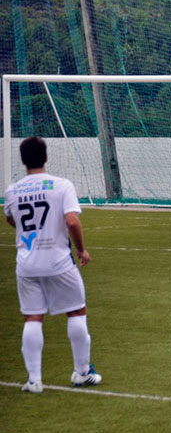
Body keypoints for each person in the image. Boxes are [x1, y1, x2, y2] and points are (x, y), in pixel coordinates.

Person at [4, 136, 101, 393]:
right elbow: (71, 221)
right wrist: (81, 249)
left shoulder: (12, 191)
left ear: (23, 161)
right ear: (46, 157)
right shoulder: (61, 185)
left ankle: (34, 380)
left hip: (27, 263)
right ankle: (82, 372)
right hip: (58, 261)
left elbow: (12, 220)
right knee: (77, 311)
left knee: (32, 317)